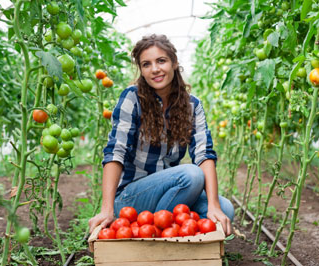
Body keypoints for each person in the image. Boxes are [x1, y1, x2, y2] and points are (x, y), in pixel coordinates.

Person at [88, 34, 234, 236]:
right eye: (146, 64)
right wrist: (107, 209)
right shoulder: (132, 98)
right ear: (141, 70)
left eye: (161, 61)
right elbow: (116, 152)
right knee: (191, 175)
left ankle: (157, 230)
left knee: (225, 209)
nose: (154, 69)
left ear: (174, 63)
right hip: (132, 197)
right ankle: (156, 233)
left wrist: (214, 205)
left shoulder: (192, 105)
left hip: (170, 192)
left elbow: (204, 153)